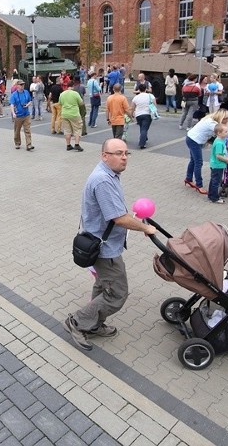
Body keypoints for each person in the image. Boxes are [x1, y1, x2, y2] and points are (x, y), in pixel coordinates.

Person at [64, 138, 158, 351]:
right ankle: (78, 322)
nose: (124, 157)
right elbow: (118, 218)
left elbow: (116, 212)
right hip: (104, 249)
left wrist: (134, 220)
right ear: (104, 155)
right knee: (116, 293)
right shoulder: (103, 180)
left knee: (102, 285)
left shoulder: (109, 174)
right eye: (118, 153)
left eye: (126, 153)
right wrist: (145, 228)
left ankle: (93, 324)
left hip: (102, 242)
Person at [184, 109, 228, 195]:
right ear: (223, 118)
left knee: (193, 161)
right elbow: (224, 133)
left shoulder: (211, 119)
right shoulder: (212, 123)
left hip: (192, 138)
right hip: (194, 140)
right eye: (227, 118)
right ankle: (199, 185)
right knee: (198, 162)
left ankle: (188, 179)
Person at [59, 80, 85, 152]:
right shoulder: (75, 93)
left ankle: (68, 145)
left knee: (67, 130)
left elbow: (60, 103)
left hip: (64, 114)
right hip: (74, 114)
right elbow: (81, 103)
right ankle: (76, 144)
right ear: (73, 86)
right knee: (77, 129)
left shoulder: (62, 94)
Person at [8, 80, 34, 151]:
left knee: (27, 130)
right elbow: (12, 104)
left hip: (26, 115)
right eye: (21, 85)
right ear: (17, 86)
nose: (22, 86)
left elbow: (30, 101)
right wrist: (13, 113)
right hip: (18, 115)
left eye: (23, 85)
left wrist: (28, 105)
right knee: (17, 131)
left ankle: (29, 144)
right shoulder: (14, 95)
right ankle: (17, 143)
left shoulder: (26, 92)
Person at [208, 123, 228, 204]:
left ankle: (211, 195)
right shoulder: (219, 143)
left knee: (213, 180)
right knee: (216, 182)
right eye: (225, 131)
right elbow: (218, 156)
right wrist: (227, 160)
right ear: (219, 133)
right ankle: (214, 198)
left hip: (216, 164)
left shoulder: (219, 140)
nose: (227, 133)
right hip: (218, 165)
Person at [131, 83, 154, 149]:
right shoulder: (150, 96)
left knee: (142, 127)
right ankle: (142, 143)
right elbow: (154, 105)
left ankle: (144, 138)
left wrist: (132, 114)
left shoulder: (136, 97)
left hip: (138, 115)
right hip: (147, 114)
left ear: (139, 89)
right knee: (145, 128)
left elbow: (132, 107)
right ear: (146, 89)